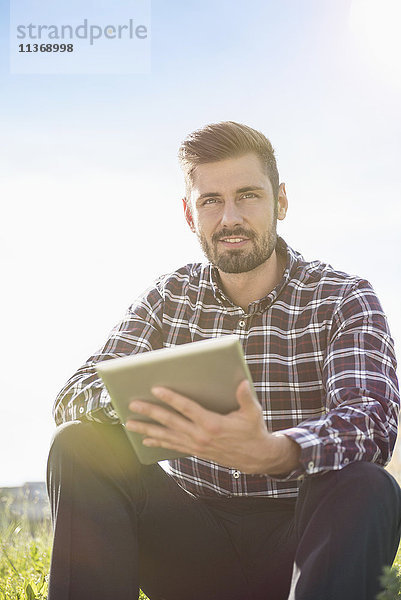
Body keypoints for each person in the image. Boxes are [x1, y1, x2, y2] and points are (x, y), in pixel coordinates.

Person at [47, 121, 401, 600]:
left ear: (281, 202)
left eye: (248, 195)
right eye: (210, 200)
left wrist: (274, 451)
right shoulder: (168, 296)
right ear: (190, 216)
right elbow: (73, 394)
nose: (229, 217)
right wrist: (153, 404)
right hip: (192, 541)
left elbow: (371, 420)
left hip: (304, 540)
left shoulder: (343, 297)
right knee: (78, 444)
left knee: (367, 482)